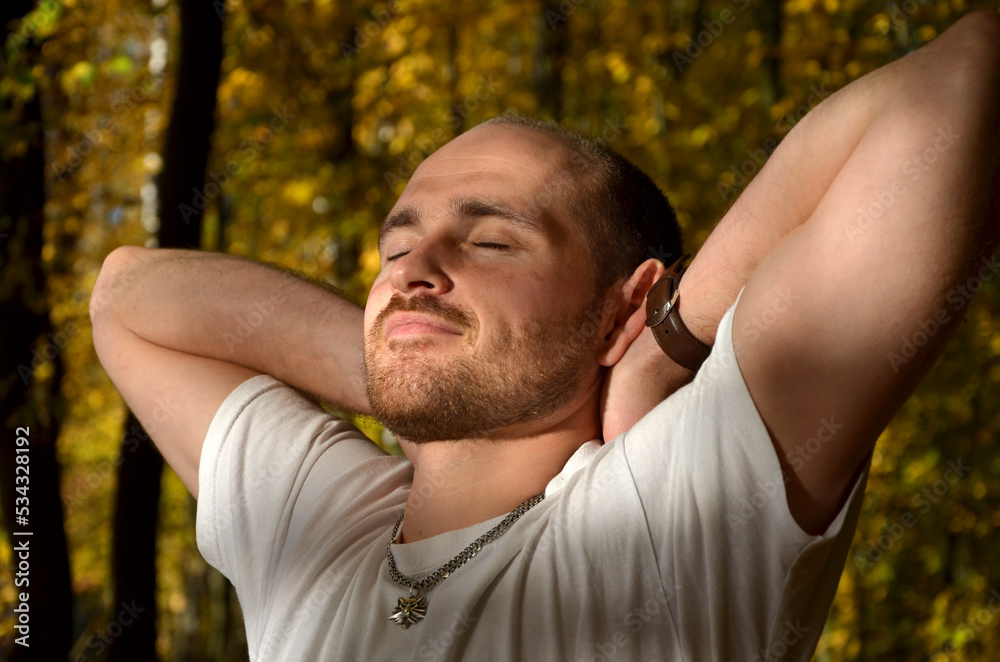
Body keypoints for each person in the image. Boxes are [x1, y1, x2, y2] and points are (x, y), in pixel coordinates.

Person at [90, 12, 1000, 661]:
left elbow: (967, 77)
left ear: (618, 308)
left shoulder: (674, 511)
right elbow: (128, 295)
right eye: (397, 245)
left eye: (490, 241)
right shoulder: (323, 530)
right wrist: (409, 379)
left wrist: (664, 347)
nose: (413, 268)